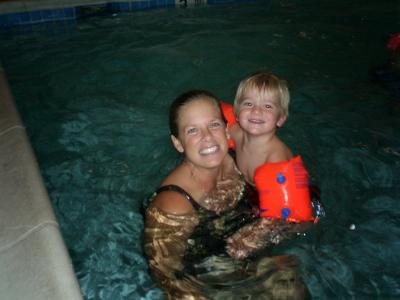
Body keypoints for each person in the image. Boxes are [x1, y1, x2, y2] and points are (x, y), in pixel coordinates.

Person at [144, 90, 310, 299]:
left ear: (227, 130)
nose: (207, 137)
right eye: (192, 130)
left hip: (247, 258)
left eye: (214, 125)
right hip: (208, 275)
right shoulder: (173, 203)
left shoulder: (240, 162)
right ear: (178, 143)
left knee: (289, 282)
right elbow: (165, 273)